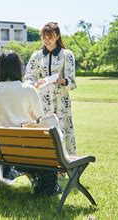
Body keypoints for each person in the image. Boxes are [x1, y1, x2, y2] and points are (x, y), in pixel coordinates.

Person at [0, 51, 59, 195]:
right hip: (28, 147)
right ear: (18, 68)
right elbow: (40, 118)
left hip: (3, 147)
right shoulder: (29, 90)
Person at [24, 22, 77, 156]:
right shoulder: (37, 55)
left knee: (62, 131)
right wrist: (32, 84)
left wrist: (63, 81)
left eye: (50, 36)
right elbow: (29, 76)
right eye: (44, 36)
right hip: (42, 101)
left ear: (58, 36)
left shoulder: (67, 55)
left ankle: (65, 163)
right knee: (44, 130)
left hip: (61, 101)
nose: (47, 39)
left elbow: (72, 82)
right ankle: (46, 160)